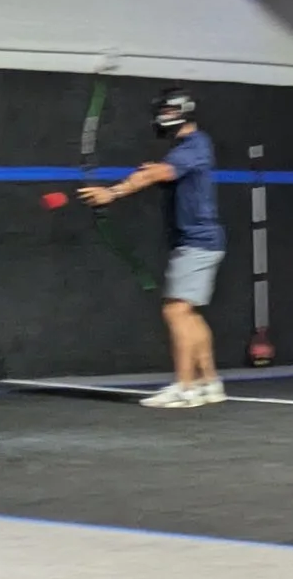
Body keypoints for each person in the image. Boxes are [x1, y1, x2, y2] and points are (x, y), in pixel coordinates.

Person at [80, 88, 226, 409]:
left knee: (175, 311)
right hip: (199, 242)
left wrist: (111, 193)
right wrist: (154, 173)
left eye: (166, 111)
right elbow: (164, 172)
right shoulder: (189, 149)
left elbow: (160, 173)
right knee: (188, 312)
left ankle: (185, 388)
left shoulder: (194, 145)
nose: (161, 118)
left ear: (181, 111)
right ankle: (210, 384)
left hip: (198, 242)